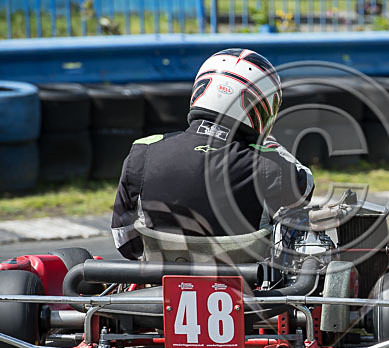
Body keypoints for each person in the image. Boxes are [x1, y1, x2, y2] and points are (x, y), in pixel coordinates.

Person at [111, 48, 314, 260]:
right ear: (257, 106)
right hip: (246, 282)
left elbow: (124, 240)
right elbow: (305, 188)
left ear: (201, 90)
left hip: (159, 281)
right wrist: (269, 145)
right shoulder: (267, 165)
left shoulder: (143, 152)